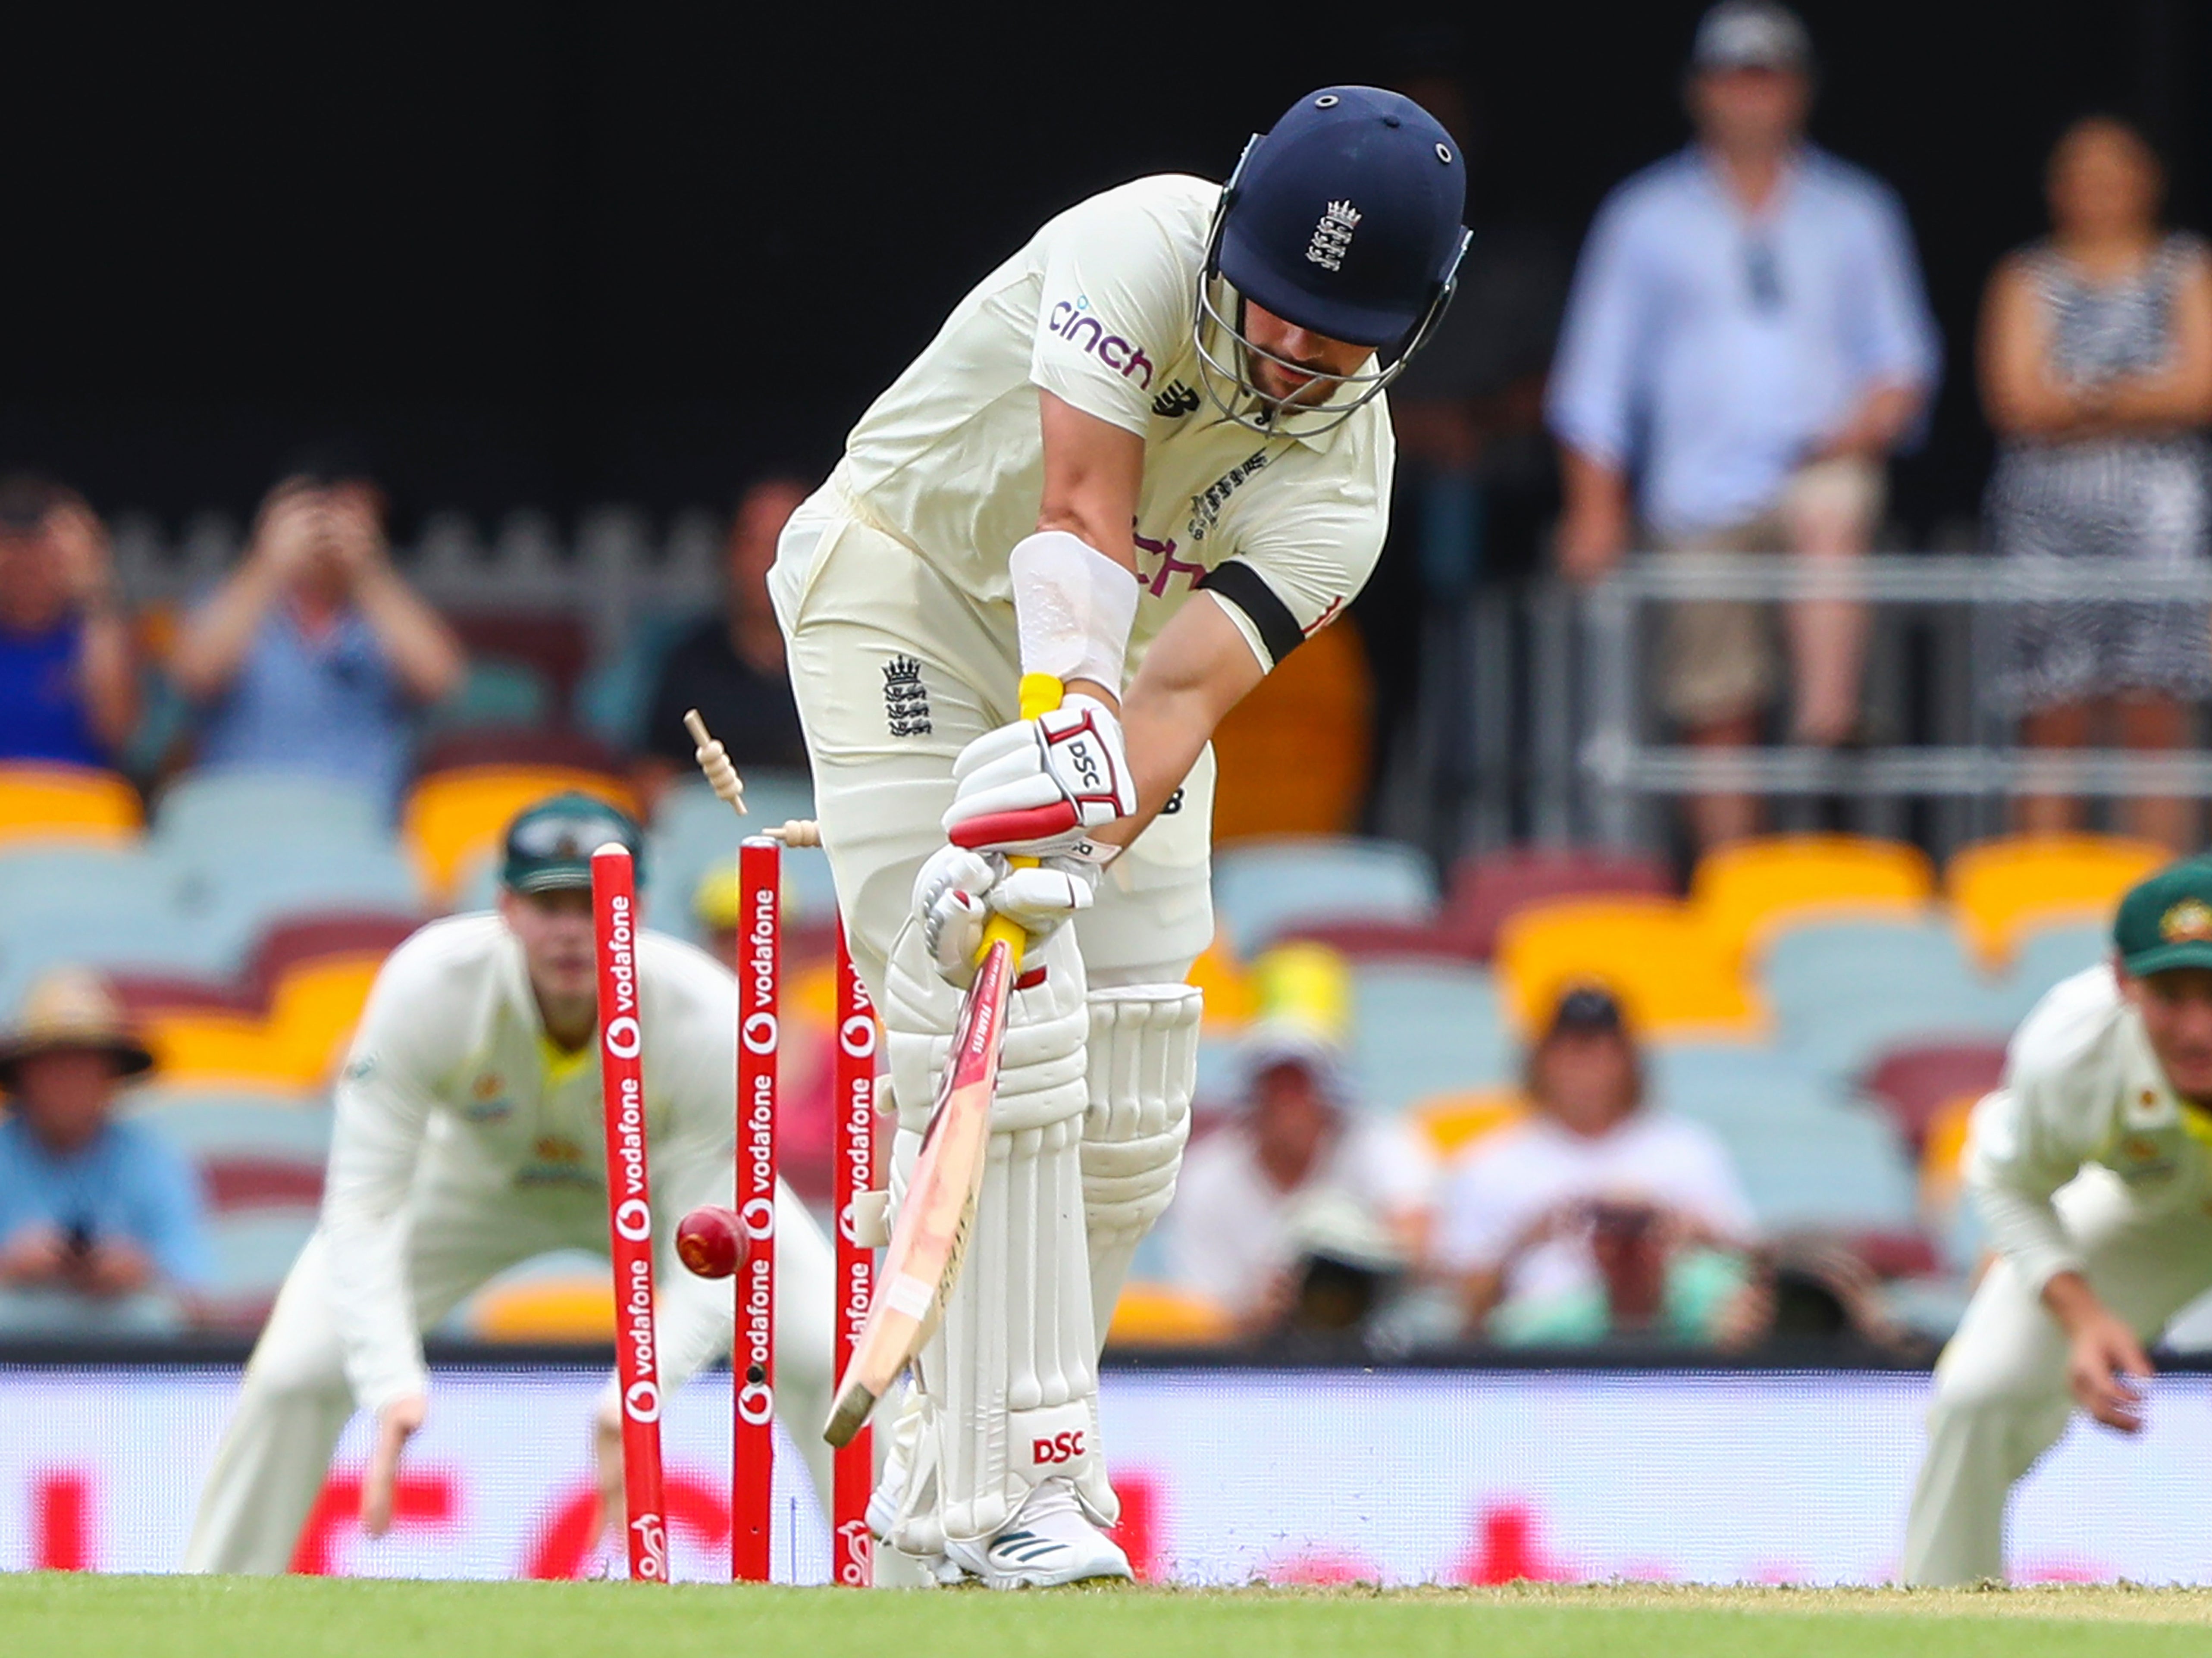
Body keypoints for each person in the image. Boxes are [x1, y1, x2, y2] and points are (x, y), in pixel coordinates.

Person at [771, 87, 1466, 1586]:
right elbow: (1080, 510)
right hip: (902, 582)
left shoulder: (1345, 494)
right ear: (1230, 236)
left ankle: (1002, 1466)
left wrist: (1074, 819)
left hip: (1124, 678)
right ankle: (997, 1489)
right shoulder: (1133, 241)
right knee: (993, 1000)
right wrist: (1049, 755)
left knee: (1137, 1063)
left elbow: (1181, 692)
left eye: (1334, 341)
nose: (1289, 360)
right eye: (1272, 314)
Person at [182, 794, 834, 1573]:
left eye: (593, 903)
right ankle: (214, 1598)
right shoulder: (429, 985)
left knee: (827, 1350)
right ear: (505, 909)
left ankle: (902, 1601)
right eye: (546, 903)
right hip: (470, 1174)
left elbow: (718, 1244)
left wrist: (639, 1393)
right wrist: (390, 1382)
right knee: (293, 1376)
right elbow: (364, 1203)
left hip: (658, 1188)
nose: (570, 929)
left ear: (639, 910)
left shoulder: (704, 1015)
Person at [1546, 0, 1939, 851]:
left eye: (1767, 77)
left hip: (1816, 468)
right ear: (1700, 91)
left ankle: (1827, 719)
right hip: (1698, 493)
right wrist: (1594, 507)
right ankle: (1738, 886)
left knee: (1835, 503)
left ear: (1799, 92)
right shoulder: (1642, 215)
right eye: (1734, 77)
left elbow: (1904, 364)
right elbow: (1595, 380)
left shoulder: (1858, 212)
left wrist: (1853, 428)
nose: (1750, 97)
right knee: (1716, 706)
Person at [1902, 859, 2212, 1586]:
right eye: (2172, 996)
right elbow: (2005, 1182)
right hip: (2154, 1214)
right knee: (1978, 1395)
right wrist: (2080, 1316)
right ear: (2123, 981)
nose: (2201, 1030)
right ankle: (1941, 1627)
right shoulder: (2070, 1051)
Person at [1980, 116, 2212, 852]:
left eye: (2115, 173)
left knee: (2157, 709)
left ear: (2150, 181)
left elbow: (2200, 388)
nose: (2100, 191)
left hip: (2161, 520)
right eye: (2082, 174)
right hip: (2048, 522)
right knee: (2054, 710)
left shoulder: (2187, 269)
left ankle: (2164, 890)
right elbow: (2017, 399)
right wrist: (2140, 396)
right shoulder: (2026, 276)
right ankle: (2046, 887)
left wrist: (2081, 398)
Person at [1432, 986, 1755, 1346]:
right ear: (1543, 1060)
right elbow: (1467, 1311)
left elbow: (1748, 1269)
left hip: (1671, 1328)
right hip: (1546, 1339)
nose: (1588, 1069)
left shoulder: (1687, 1148)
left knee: (1724, 1298)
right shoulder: (1490, 1161)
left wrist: (1687, 1228)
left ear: (1628, 1059)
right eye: (1573, 1051)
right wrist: (1531, 1237)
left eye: (1603, 1051)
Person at [170, 458, 464, 814]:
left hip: (357, 830)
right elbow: (193, 677)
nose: (328, 528)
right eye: (312, 512)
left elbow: (442, 683)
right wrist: (268, 563)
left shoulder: (391, 611)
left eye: (352, 513)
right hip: (241, 823)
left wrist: (369, 571)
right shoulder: (230, 599)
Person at [1168, 1020, 1431, 1338]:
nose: (1288, 1107)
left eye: (1300, 1088)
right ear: (1251, 1099)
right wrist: (1270, 1305)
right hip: (1258, 1362)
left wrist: (1353, 1263)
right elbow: (1208, 1321)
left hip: (1381, 1343)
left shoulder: (1381, 1143)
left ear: (1329, 1096)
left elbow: (1416, 1245)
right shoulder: (1206, 1179)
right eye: (1274, 1088)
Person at [0, 968, 207, 1329]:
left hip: (121, 1368)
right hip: (14, 1369)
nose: (70, 1081)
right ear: (24, 1076)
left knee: (155, 1319)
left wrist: (141, 1270)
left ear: (111, 1075)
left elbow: (203, 1309)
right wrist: (11, 1265)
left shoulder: (154, 1160)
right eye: (55, 1065)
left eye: (84, 1065)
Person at [636, 477, 812, 809]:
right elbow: (652, 779)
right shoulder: (689, 665)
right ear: (730, 553)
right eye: (755, 543)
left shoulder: (848, 666)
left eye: (786, 542)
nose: (770, 560)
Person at [0, 476, 138, 768]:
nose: (28, 566)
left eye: (45, 553)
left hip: (77, 804)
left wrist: (94, 590)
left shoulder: (95, 632)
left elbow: (117, 731)